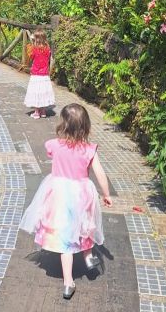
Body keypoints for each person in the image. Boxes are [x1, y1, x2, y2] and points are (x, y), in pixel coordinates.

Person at [19, 103, 112, 300]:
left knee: (65, 237)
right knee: (84, 226)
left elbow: (49, 151)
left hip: (59, 195)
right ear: (86, 126)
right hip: (82, 194)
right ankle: (88, 258)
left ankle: (68, 281)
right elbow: (100, 173)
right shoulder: (89, 149)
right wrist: (106, 194)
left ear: (63, 124)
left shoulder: (54, 144)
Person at [24, 29, 55, 119]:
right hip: (45, 74)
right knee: (43, 92)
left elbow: (30, 57)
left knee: (36, 92)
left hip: (36, 74)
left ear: (36, 39)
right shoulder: (47, 49)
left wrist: (32, 40)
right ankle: (43, 111)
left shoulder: (34, 49)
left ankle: (37, 112)